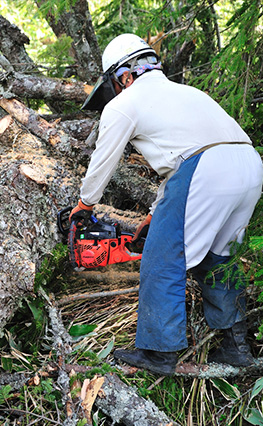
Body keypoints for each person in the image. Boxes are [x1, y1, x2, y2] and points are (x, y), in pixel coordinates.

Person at [73, 33, 263, 375]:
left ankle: (158, 352)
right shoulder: (188, 94)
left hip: (207, 169)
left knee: (163, 256)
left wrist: (86, 204)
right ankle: (237, 348)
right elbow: (182, 166)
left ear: (124, 76)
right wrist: (154, 214)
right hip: (248, 165)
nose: (114, 93)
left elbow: (104, 158)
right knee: (220, 258)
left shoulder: (125, 102)